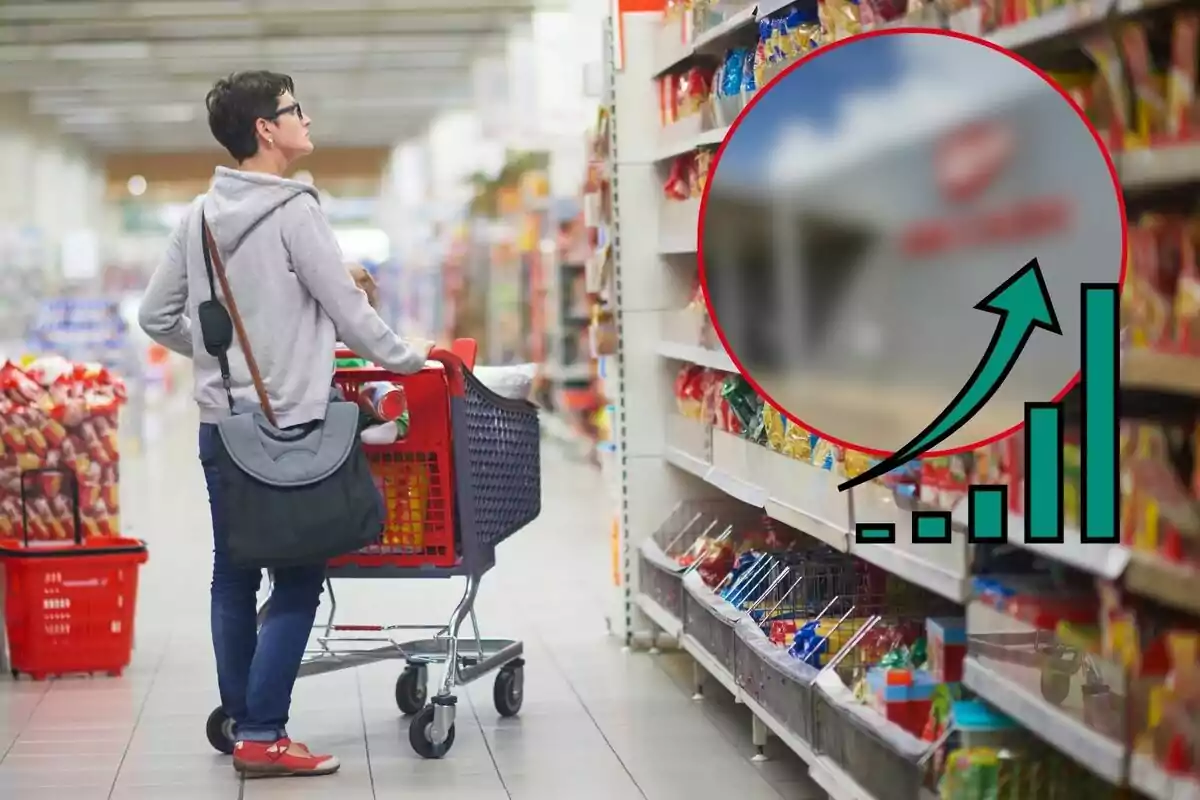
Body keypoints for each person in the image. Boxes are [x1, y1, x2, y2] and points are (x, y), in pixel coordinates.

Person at [138, 71, 432, 779]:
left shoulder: (200, 217)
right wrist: (409, 359)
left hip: (223, 427)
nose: (307, 118)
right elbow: (346, 310)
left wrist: (220, 357)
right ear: (267, 130)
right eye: (295, 109)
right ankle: (264, 734)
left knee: (232, 575)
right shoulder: (295, 209)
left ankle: (245, 720)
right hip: (292, 424)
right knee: (299, 579)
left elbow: (154, 316)